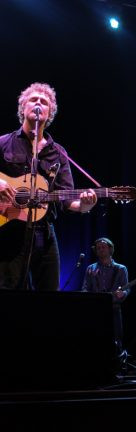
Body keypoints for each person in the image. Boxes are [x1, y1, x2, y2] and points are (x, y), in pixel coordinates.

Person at [0, 82, 97, 290]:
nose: (38, 104)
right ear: (23, 108)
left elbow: (67, 200)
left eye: (44, 102)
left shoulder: (58, 153)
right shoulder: (4, 143)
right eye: (33, 100)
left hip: (44, 234)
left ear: (49, 112)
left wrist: (85, 206)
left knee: (49, 299)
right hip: (8, 230)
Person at [82, 237, 130, 352]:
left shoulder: (121, 269)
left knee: (116, 340)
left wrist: (122, 293)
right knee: (96, 341)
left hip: (114, 308)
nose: (101, 249)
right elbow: (85, 288)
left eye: (103, 247)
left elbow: (127, 289)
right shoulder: (90, 268)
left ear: (110, 249)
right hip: (95, 310)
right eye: (98, 248)